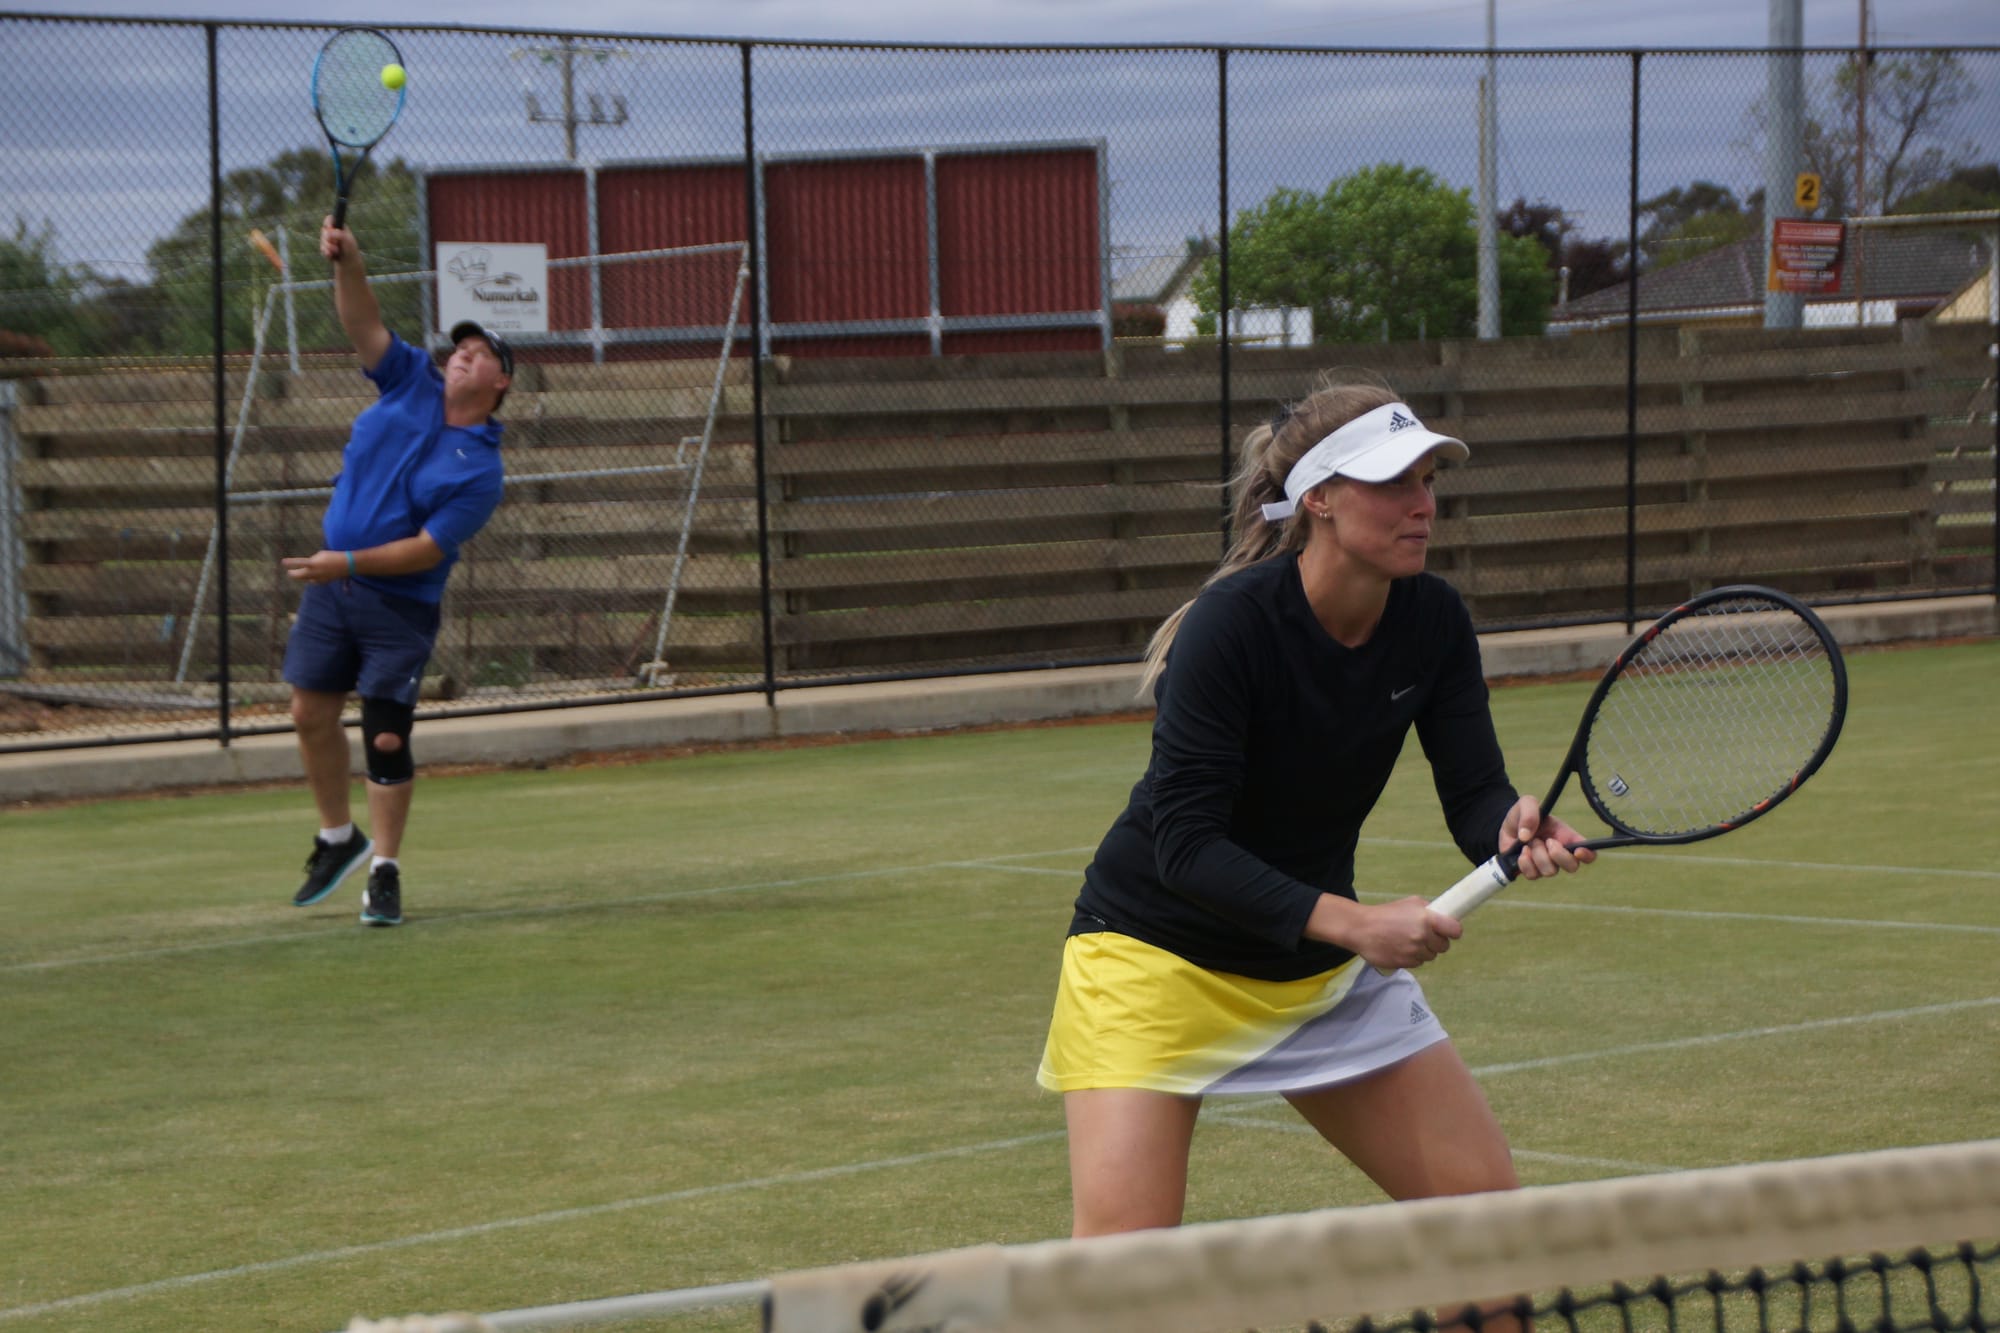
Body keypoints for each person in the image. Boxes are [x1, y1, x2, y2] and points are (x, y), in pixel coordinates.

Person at [1037, 376, 1595, 1269]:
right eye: (1394, 483)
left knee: (1488, 1231)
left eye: (1430, 481)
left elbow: (1474, 793)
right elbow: (1185, 845)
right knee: (1119, 1277)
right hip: (1150, 961)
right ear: (1322, 500)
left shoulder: (1435, 618)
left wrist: (1514, 824)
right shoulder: (1231, 627)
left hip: (1313, 976)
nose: (1422, 506)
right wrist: (1357, 923)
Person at [280, 217, 512, 928]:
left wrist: (344, 561)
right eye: (460, 348)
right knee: (307, 712)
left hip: (396, 604)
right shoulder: (410, 376)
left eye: (479, 354)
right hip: (333, 589)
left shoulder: (483, 471)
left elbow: (424, 551)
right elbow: (364, 322)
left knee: (384, 736)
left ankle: (383, 870)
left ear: (501, 385)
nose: (463, 356)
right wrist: (349, 260)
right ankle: (335, 837)